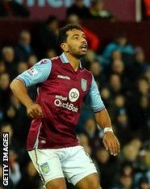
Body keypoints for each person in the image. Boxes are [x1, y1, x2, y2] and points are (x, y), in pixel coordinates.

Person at [9, 24, 121, 188]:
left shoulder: (87, 78)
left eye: (83, 37)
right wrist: (29, 104)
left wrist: (108, 130)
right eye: (76, 38)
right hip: (43, 143)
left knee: (93, 186)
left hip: (70, 144)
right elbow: (16, 83)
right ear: (64, 46)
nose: (83, 41)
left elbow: (99, 109)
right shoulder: (49, 66)